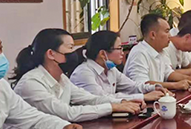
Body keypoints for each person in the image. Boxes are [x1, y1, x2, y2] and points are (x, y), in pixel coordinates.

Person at [0, 24, 84, 129]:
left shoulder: (0, 86)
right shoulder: (30, 81)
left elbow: (33, 118)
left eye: (0, 49)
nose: (0, 57)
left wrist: (64, 128)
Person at [11, 29, 140, 123]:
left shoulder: (62, 79)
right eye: (70, 48)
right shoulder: (31, 83)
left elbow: (91, 99)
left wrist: (122, 102)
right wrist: (112, 107)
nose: (74, 53)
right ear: (51, 53)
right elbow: (67, 113)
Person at [70, 31, 167, 103]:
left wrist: (154, 88)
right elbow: (103, 99)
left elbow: (133, 87)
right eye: (119, 48)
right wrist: (143, 97)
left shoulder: (111, 69)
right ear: (103, 54)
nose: (122, 53)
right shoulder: (83, 73)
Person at [123, 14, 191, 91]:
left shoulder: (161, 51)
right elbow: (141, 84)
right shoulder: (139, 53)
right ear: (153, 35)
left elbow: (168, 73)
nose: (170, 35)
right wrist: (175, 85)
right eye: (167, 31)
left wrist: (189, 78)